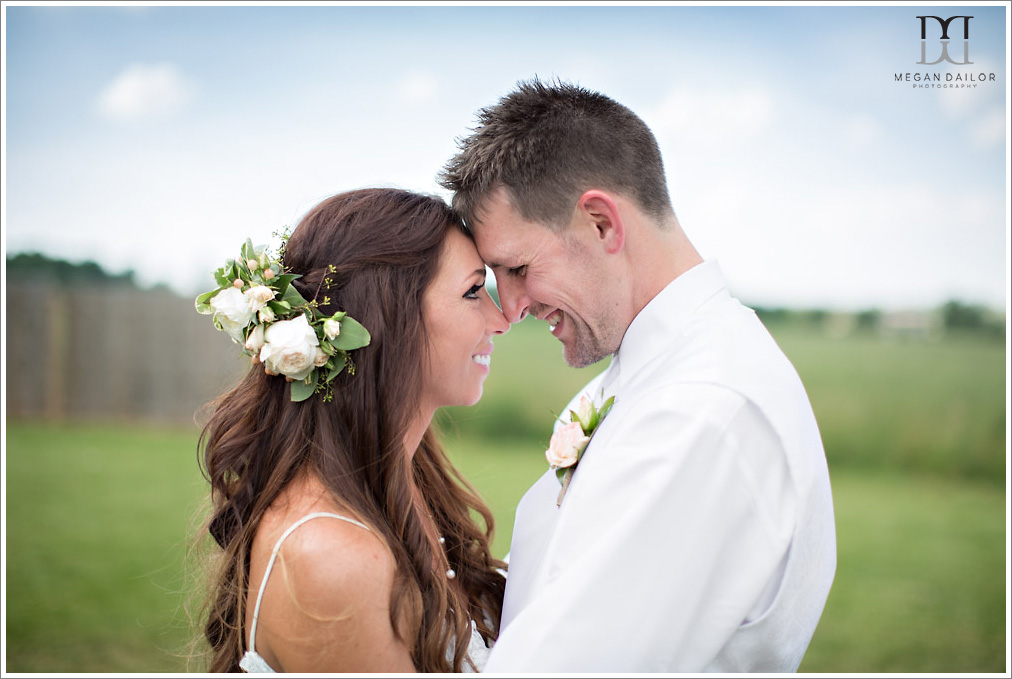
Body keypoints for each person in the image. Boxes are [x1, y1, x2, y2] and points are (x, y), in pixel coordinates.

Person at [438, 78, 837, 672]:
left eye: (517, 268)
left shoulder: (703, 412)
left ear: (601, 223)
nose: (513, 307)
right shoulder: (657, 370)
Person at [194, 188, 510, 672]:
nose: (501, 319)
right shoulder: (334, 558)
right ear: (390, 317)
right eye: (472, 291)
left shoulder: (404, 478)